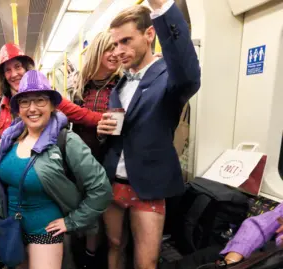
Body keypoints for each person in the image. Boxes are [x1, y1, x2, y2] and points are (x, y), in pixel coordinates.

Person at [0, 70, 112, 269]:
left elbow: (101, 188)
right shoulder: (11, 138)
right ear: (18, 109)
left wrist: (71, 222)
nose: (32, 108)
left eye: (40, 100)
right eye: (25, 102)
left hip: (45, 229)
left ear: (53, 105)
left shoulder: (66, 141)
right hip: (11, 226)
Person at [96, 1, 201, 269]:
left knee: (146, 261)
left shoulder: (170, 77)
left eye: (126, 41)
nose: (119, 51)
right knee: (114, 246)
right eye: (115, 43)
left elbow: (188, 72)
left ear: (150, 34)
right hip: (114, 181)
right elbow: (121, 133)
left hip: (149, 186)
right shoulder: (120, 82)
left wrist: (162, 9)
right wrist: (102, 132)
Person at [0, 43, 104, 174]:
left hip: (44, 174)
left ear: (26, 69)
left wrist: (110, 120)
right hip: (9, 173)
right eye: (7, 70)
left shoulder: (48, 98)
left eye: (18, 67)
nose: (14, 74)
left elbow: (81, 115)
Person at [72, 30, 122, 269]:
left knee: (107, 219)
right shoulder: (80, 85)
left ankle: (95, 259)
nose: (115, 54)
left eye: (118, 48)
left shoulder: (122, 85)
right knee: (87, 215)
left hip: (111, 158)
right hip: (82, 158)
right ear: (97, 51)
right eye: (109, 48)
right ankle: (87, 257)